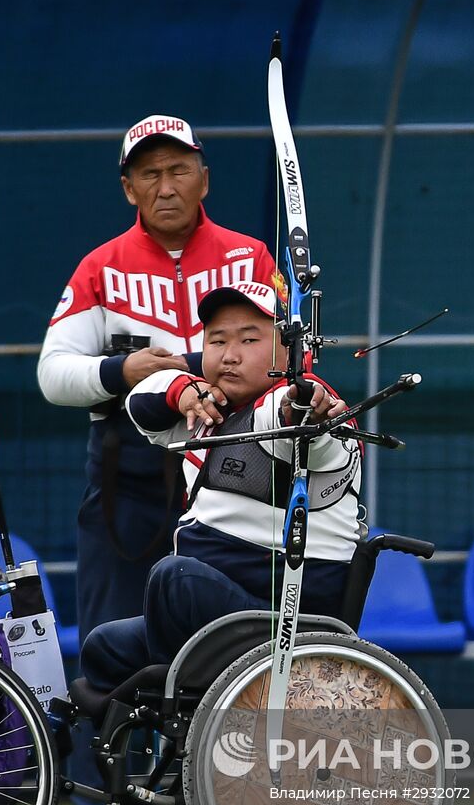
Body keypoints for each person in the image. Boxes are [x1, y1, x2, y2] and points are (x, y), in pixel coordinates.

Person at [37, 114, 276, 805]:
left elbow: (289, 353)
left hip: (235, 476)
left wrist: (214, 380)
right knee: (111, 640)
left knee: (228, 639)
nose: (165, 186)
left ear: (204, 175)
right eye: (149, 173)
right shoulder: (99, 266)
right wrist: (122, 369)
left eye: (178, 170)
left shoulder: (251, 257)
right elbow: (53, 374)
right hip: (127, 481)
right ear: (127, 187)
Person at [80, 282, 358, 693]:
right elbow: (140, 400)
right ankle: (182, 723)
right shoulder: (208, 408)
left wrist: (306, 409)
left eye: (250, 339)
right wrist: (182, 391)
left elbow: (299, 424)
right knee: (102, 646)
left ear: (290, 351)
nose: (230, 355)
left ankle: (196, 706)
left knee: (173, 578)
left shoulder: (280, 403)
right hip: (222, 612)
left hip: (280, 621)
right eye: (218, 341)